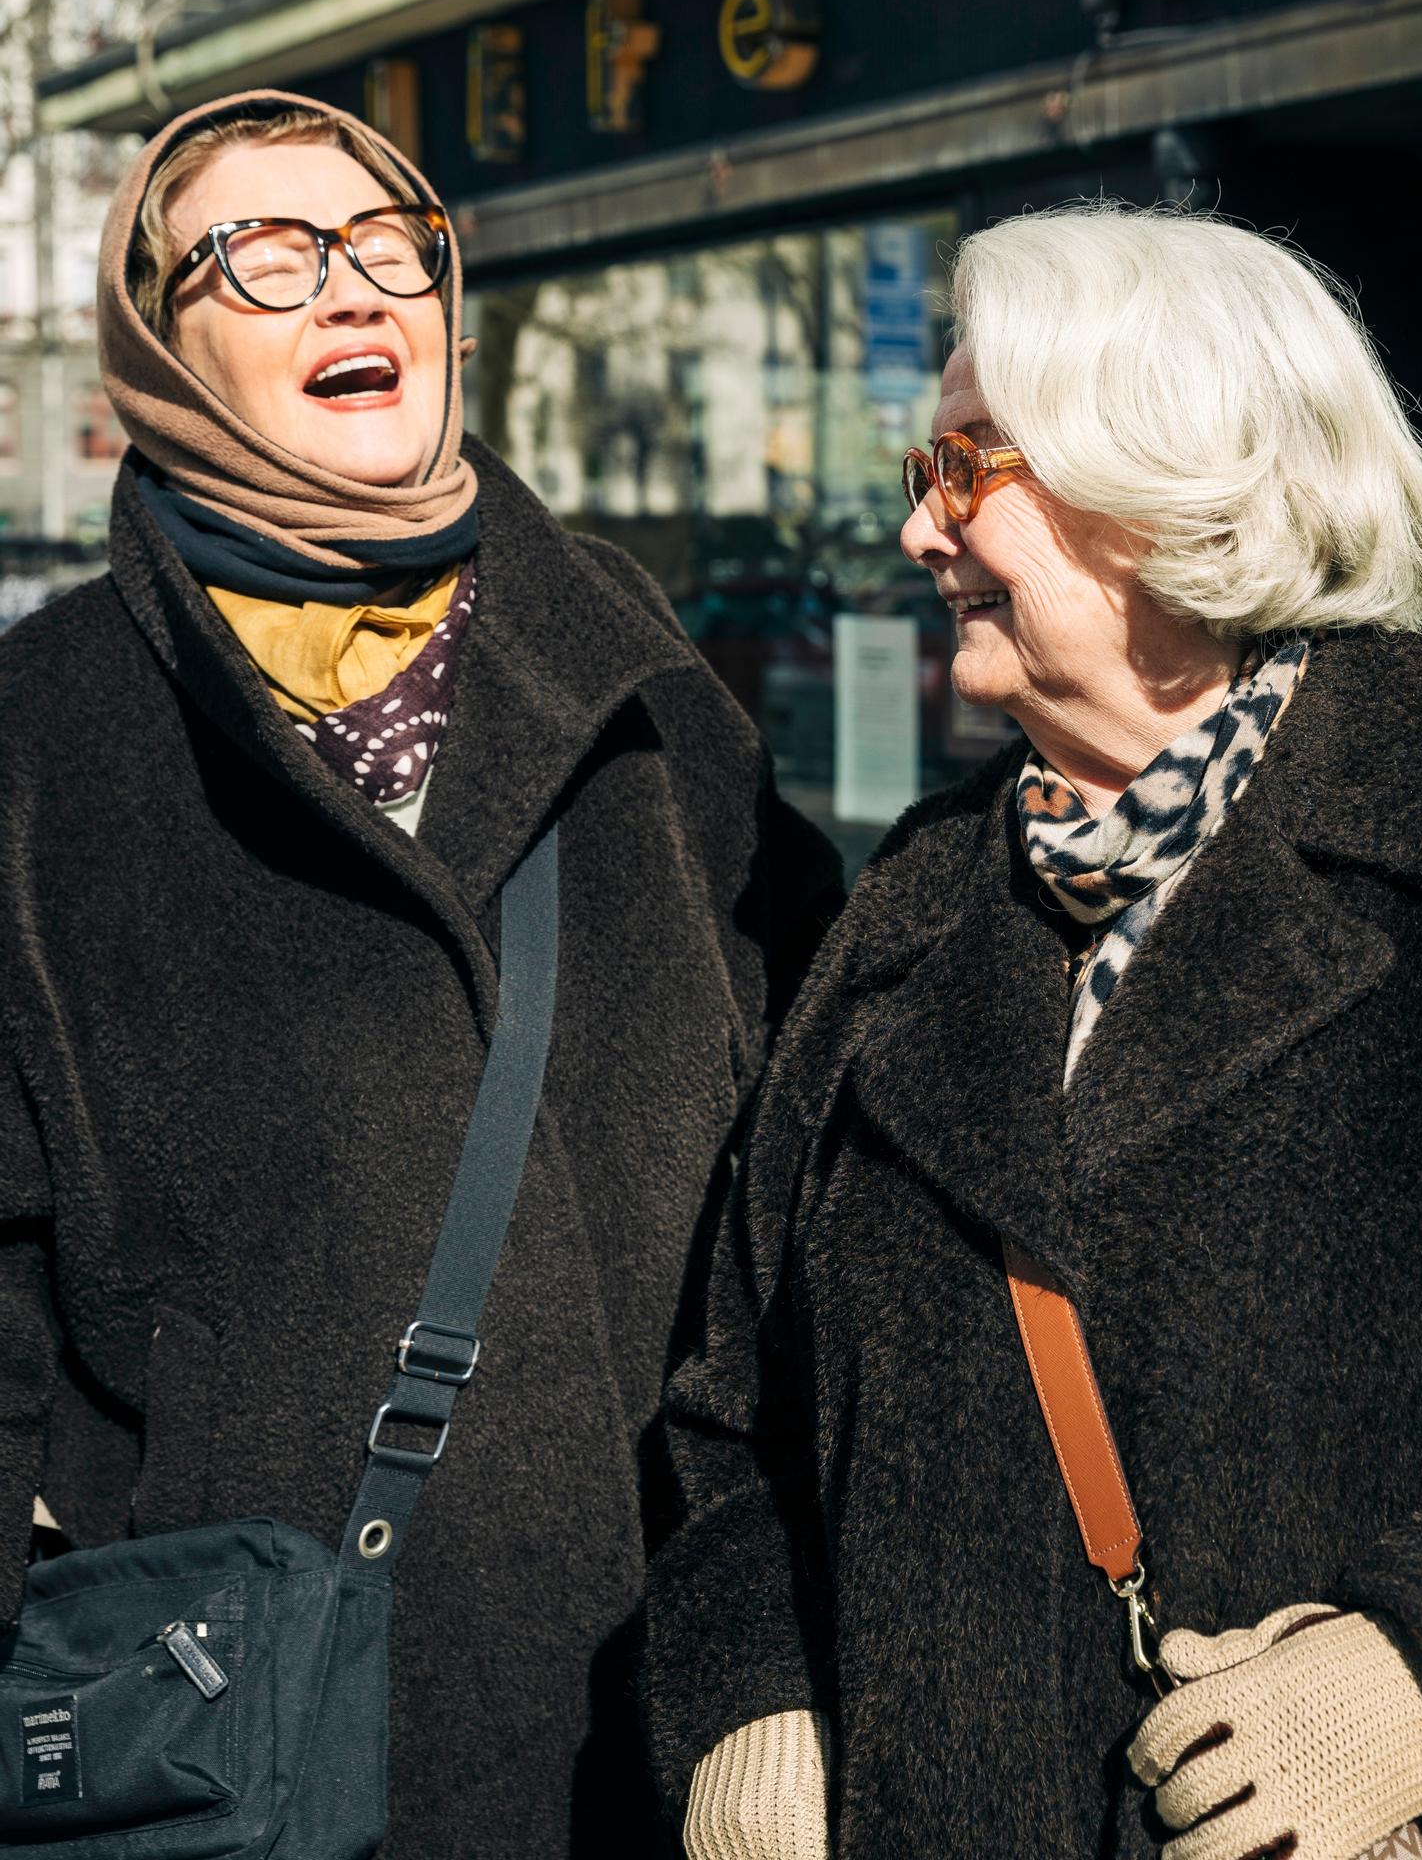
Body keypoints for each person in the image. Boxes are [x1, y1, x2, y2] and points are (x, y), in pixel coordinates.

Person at [643, 201, 1422, 1860]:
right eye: (922, 473)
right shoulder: (919, 895)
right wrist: (751, 1712)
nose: (918, 534)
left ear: (1164, 469)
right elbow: (733, 1406)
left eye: (968, 466)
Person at [0, 90, 841, 1859]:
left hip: (650, 1694)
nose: (357, 292)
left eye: (393, 249)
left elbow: (812, 1162)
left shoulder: (638, 680)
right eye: (272, 257)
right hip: (238, 1718)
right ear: (159, 343)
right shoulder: (43, 735)